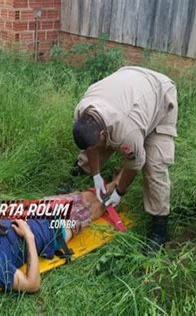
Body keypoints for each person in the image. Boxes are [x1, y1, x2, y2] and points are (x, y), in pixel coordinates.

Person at [71, 66, 178, 254]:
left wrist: (119, 192)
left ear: (104, 133)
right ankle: (78, 172)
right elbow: (90, 146)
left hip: (159, 94)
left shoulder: (126, 132)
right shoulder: (82, 111)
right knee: (94, 145)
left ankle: (159, 228)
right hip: (130, 83)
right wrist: (96, 176)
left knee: (154, 166)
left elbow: (135, 163)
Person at [0, 190, 105, 292]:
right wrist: (29, 236)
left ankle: (117, 185)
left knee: (86, 197)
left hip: (40, 209)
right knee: (97, 208)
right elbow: (32, 284)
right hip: (54, 230)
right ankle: (116, 197)